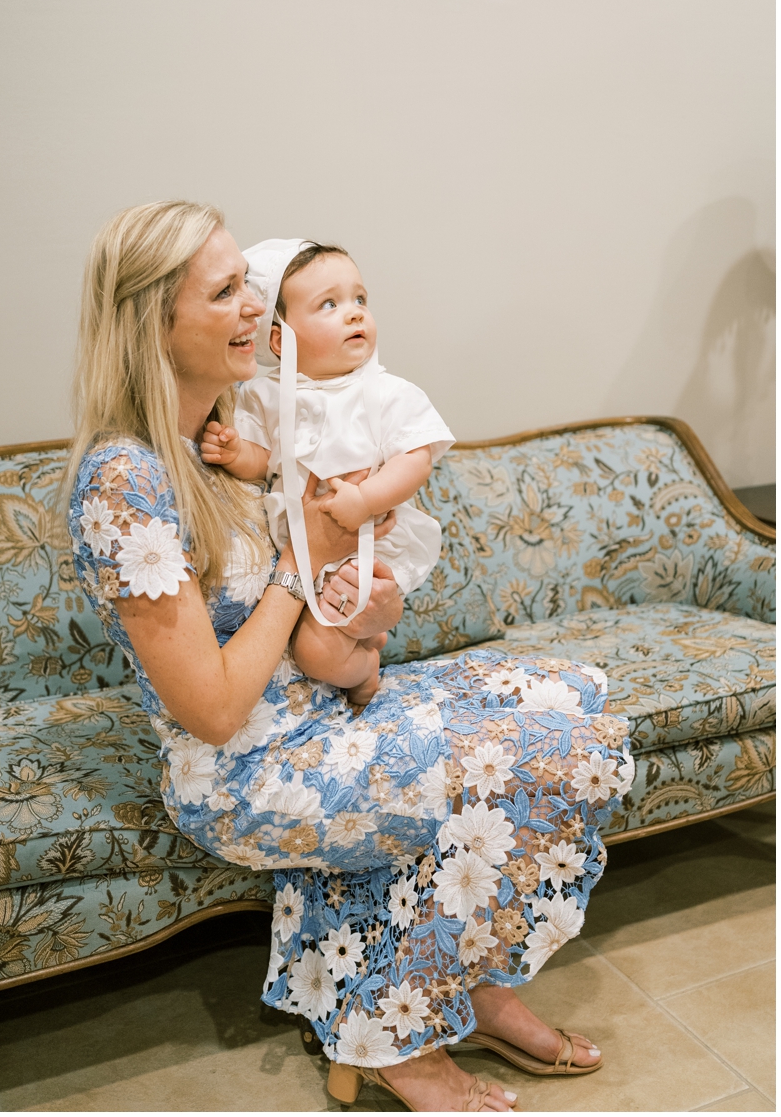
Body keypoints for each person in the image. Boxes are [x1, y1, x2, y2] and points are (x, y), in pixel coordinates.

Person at [67, 201, 632, 1110]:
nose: (256, 311)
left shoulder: (242, 433)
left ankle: (468, 987)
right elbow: (210, 710)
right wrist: (303, 567)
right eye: (226, 295)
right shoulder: (126, 478)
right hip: (248, 768)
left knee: (571, 693)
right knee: (545, 757)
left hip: (329, 707)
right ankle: (395, 1034)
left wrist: (368, 612)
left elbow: (348, 607)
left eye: (251, 290)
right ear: (152, 324)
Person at [199, 241, 452, 711]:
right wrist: (236, 453)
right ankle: (363, 655)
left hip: (365, 543)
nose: (355, 314)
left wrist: (366, 499)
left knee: (315, 651)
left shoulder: (387, 392)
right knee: (309, 644)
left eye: (360, 299)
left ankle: (363, 670)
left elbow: (416, 459)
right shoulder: (264, 394)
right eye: (329, 304)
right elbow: (263, 460)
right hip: (296, 543)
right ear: (280, 340)